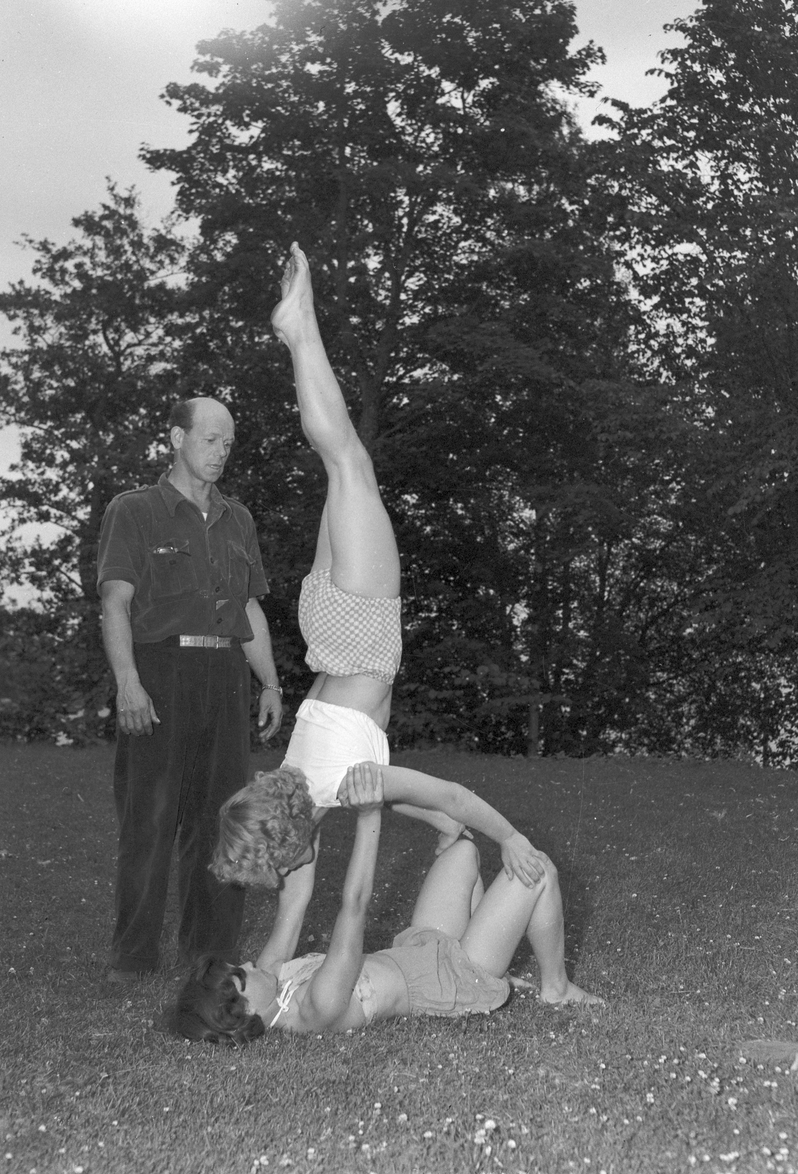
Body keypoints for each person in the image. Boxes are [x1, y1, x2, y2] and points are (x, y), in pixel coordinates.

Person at [210, 242, 545, 894]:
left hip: (359, 636)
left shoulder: (335, 785)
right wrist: (441, 827)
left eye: (279, 868)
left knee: (348, 461)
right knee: (340, 463)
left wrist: (508, 837)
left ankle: (299, 330)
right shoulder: (303, 777)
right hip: (325, 628)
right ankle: (298, 335)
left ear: (293, 842)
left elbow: (448, 793)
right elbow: (397, 795)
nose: (286, 874)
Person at [171, 764, 602, 1043]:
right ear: (246, 1010)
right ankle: (556, 987)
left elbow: (295, 900)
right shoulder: (317, 1007)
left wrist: (298, 820)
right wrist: (368, 815)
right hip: (455, 978)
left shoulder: (271, 977)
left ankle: (494, 948)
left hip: (421, 948)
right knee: (537, 869)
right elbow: (354, 906)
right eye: (242, 975)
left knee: (462, 850)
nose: (249, 963)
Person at [97, 396, 283, 982]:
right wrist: (129, 682)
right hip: (161, 672)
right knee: (150, 819)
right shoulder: (134, 510)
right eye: (210, 439)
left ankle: (211, 952)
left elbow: (248, 606)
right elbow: (115, 603)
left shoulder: (238, 519)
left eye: (228, 443)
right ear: (177, 438)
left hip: (225, 675)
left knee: (222, 820)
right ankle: (133, 957)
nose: (221, 452)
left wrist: (270, 682)